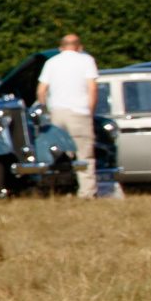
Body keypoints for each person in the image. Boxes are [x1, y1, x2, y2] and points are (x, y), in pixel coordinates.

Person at [35, 32, 100, 197]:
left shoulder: (51, 62)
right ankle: (87, 192)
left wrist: (47, 110)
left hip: (57, 113)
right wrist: (90, 111)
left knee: (59, 153)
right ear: (80, 46)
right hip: (79, 112)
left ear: (60, 47)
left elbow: (41, 91)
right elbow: (92, 88)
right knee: (84, 154)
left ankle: (59, 189)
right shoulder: (86, 60)